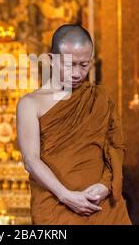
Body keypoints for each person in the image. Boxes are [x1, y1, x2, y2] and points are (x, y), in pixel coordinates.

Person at [16, 24, 131, 224]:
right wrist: (66, 195)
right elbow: (31, 160)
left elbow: (116, 147)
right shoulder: (30, 104)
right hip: (55, 206)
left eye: (84, 65)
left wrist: (105, 186)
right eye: (70, 65)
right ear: (51, 60)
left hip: (103, 205)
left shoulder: (99, 99)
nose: (77, 73)